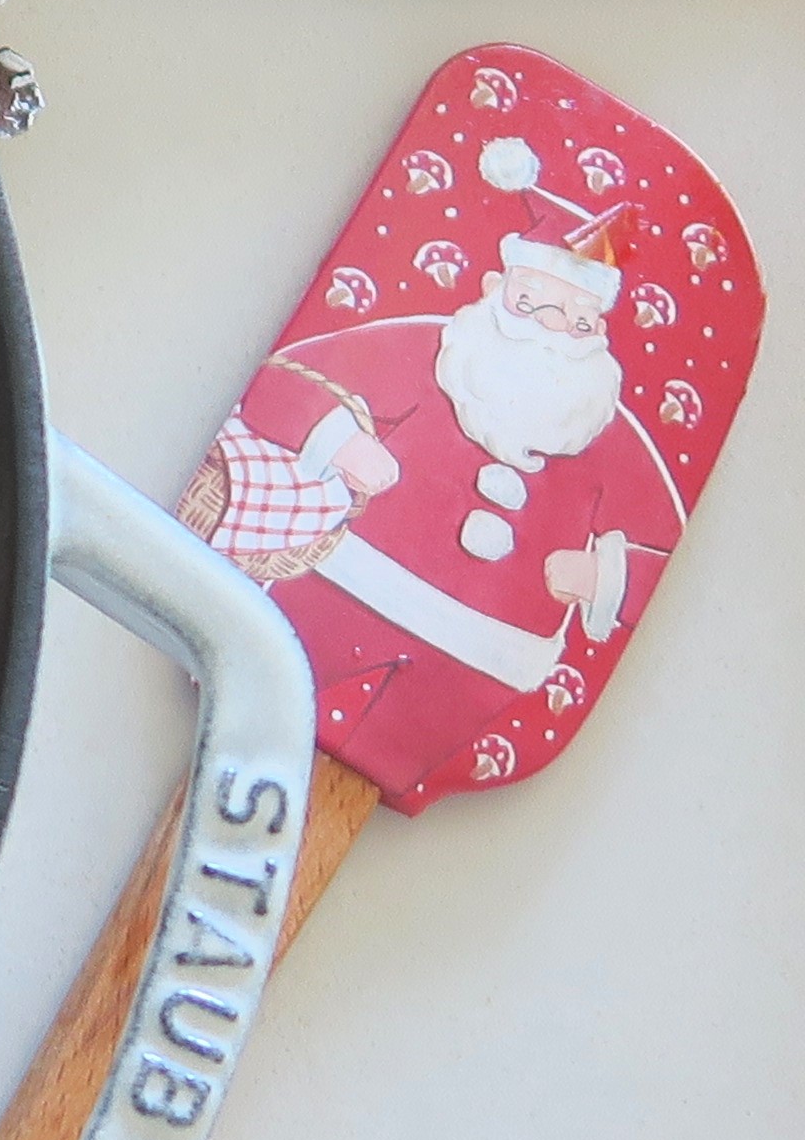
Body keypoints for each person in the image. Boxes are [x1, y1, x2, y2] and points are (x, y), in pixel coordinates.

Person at [193, 145, 685, 801]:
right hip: (343, 589)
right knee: (253, 692)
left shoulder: (603, 426)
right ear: (499, 290)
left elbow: (655, 536)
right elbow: (283, 388)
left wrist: (603, 575)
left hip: (485, 663)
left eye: (578, 320)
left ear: (598, 330)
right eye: (536, 305)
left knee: (391, 755)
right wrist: (339, 441)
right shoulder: (436, 347)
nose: (554, 330)